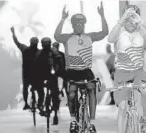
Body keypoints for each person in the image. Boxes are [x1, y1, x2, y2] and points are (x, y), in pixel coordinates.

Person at [54, 2, 108, 133]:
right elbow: (56, 36)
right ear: (73, 26)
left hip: (86, 71)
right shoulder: (67, 38)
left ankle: (92, 123)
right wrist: (62, 19)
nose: (79, 26)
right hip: (72, 71)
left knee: (91, 88)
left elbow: (105, 32)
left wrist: (102, 16)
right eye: (77, 24)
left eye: (82, 24)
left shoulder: (90, 36)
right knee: (72, 92)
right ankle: (73, 121)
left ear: (84, 25)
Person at [108, 5, 146, 133]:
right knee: (123, 107)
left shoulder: (141, 32)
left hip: (138, 72)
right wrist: (123, 18)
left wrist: (141, 22)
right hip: (121, 73)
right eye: (127, 18)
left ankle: (144, 119)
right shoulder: (119, 32)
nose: (130, 22)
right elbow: (110, 39)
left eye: (133, 18)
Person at [10, 27, 39, 110]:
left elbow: (16, 42)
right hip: (35, 74)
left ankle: (26, 103)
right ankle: (38, 103)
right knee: (38, 88)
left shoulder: (25, 49)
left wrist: (13, 33)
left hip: (26, 74)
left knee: (25, 88)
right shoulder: (39, 52)